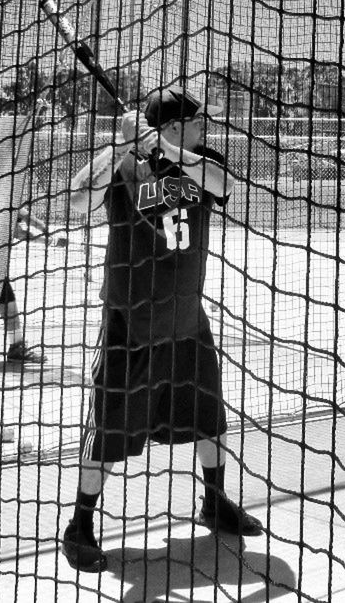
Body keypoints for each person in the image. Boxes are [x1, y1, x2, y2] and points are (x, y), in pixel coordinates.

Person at [62, 85, 262, 572]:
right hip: (131, 325)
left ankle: (214, 502)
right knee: (110, 428)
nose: (206, 128)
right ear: (171, 125)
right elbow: (75, 203)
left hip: (188, 323)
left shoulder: (201, 160)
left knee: (208, 419)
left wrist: (165, 147)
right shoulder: (127, 166)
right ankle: (80, 526)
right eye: (197, 121)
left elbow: (224, 185)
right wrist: (121, 145)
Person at [0, 206, 68, 364]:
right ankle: (16, 348)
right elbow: (25, 222)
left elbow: (23, 227)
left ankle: (16, 348)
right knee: (7, 305)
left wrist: (51, 238)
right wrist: (52, 239)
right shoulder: (4, 200)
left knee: (8, 304)